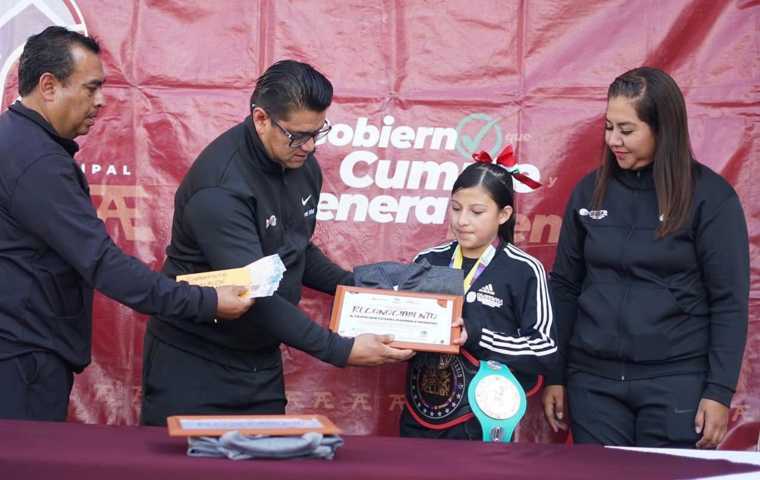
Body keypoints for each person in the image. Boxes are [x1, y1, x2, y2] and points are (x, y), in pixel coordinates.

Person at [140, 60, 414, 426]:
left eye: (318, 132)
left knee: (268, 457)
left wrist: (355, 287)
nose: (310, 146)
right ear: (261, 119)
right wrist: (342, 350)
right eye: (298, 135)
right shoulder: (220, 190)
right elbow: (256, 294)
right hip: (194, 363)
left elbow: (293, 251)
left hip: (260, 364)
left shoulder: (302, 165)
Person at [0, 27, 253, 421]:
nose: (101, 101)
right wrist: (206, 302)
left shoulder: (15, 140)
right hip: (24, 359)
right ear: (48, 86)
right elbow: (102, 263)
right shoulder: (38, 161)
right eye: (91, 88)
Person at [542, 67, 749, 449]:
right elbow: (566, 287)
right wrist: (556, 375)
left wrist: (719, 391)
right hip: (594, 385)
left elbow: (729, 301)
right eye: (608, 127)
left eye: (626, 129)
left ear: (663, 129)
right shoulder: (588, 192)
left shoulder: (711, 198)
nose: (613, 140)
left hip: (676, 383)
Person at [400, 154, 558, 440]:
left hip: (482, 418)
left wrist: (476, 336)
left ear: (504, 215)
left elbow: (545, 349)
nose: (462, 221)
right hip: (422, 411)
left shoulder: (524, 269)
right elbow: (404, 329)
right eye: (456, 208)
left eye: (476, 212)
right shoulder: (427, 260)